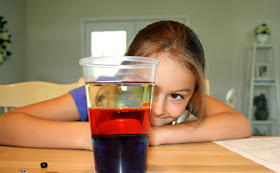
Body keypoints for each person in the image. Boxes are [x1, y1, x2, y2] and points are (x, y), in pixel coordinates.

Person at [0, 21, 251, 150]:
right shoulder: (104, 92)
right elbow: (5, 125)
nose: (158, 109)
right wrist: (95, 136)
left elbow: (240, 124)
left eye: (176, 96)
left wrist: (157, 136)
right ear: (126, 75)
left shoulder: (185, 92)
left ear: (190, 92)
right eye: (147, 89)